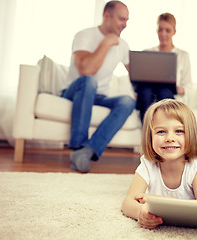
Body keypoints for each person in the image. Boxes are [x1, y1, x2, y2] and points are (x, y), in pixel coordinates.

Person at [60, 1, 136, 173]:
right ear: (106, 16)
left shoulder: (123, 45)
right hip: (75, 91)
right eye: (121, 19)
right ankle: (78, 148)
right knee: (89, 81)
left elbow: (135, 74)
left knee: (127, 101)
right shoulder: (84, 36)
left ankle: (87, 151)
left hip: (100, 96)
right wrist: (106, 42)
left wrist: (139, 90)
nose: (125, 25)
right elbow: (86, 70)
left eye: (127, 20)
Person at [121, 99, 197, 229]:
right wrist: (140, 213)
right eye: (161, 132)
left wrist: (157, 200)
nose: (170, 138)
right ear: (150, 137)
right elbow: (127, 203)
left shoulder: (195, 166)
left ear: (191, 135)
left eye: (179, 131)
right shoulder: (148, 164)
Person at [135, 13, 192, 122]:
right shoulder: (147, 53)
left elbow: (189, 85)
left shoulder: (183, 55)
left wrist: (181, 89)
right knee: (145, 92)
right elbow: (139, 79)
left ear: (174, 31)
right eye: (160, 29)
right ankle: (148, 134)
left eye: (167, 30)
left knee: (164, 92)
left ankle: (164, 131)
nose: (163, 34)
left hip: (169, 94)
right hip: (147, 94)